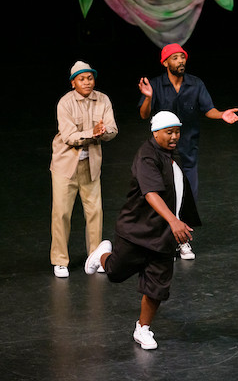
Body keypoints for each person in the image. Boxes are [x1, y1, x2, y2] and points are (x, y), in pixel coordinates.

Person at [85, 111, 201, 350]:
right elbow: (151, 193)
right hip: (137, 230)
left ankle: (143, 328)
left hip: (162, 236)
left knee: (158, 287)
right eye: (169, 132)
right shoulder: (146, 156)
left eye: (177, 131)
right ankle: (102, 255)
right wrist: (173, 221)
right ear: (155, 132)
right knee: (116, 273)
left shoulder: (170, 154)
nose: (174, 137)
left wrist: (178, 221)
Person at [137, 43, 238, 261]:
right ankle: (163, 243)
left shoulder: (195, 84)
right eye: (175, 58)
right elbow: (144, 115)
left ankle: (182, 242)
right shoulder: (155, 85)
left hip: (188, 150)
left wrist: (221, 115)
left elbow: (208, 109)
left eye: (182, 57)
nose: (180, 61)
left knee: (188, 196)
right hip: (162, 154)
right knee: (164, 197)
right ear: (165, 62)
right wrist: (147, 96)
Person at [49, 61, 118, 278]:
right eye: (82, 79)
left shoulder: (103, 100)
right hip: (65, 167)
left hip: (91, 166)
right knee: (61, 213)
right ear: (73, 83)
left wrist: (103, 132)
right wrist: (92, 132)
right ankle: (60, 260)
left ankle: (95, 257)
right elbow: (69, 136)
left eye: (90, 78)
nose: (87, 82)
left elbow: (113, 129)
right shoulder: (65, 103)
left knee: (95, 212)